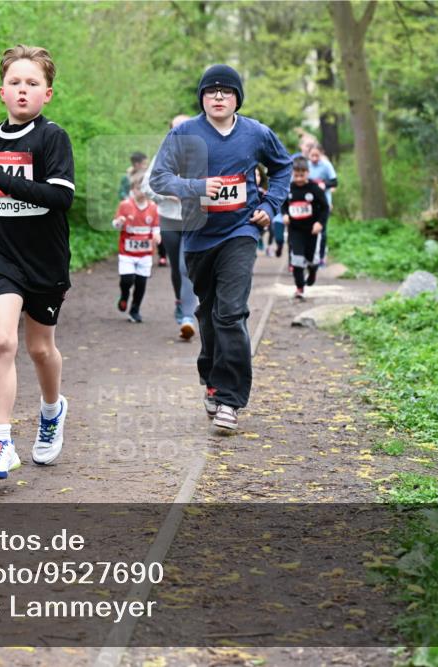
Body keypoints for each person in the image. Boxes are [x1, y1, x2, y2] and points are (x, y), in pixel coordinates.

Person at [150, 64, 292, 431]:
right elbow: (159, 177)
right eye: (211, 91)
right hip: (197, 236)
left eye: (226, 91)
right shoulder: (184, 133)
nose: (217, 96)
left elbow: (283, 168)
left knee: (230, 313)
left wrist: (269, 206)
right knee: (209, 314)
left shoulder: (256, 133)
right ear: (202, 97)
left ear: (236, 98)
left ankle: (231, 398)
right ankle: (212, 378)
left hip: (240, 232)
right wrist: (197, 187)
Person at [0, 45, 75, 480]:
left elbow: (60, 198)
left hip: (45, 258)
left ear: (47, 93)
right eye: (15, 83)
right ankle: (0, 442)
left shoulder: (52, 138)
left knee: (39, 348)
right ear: (2, 91)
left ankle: (52, 411)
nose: (23, 90)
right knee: (1, 342)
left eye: (32, 83)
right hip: (1, 254)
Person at [141, 114, 197, 340]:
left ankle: (187, 317)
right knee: (176, 268)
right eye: (176, 128)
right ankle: (180, 301)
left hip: (194, 220)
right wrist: (169, 194)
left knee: (186, 267)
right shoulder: (163, 156)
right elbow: (147, 186)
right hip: (169, 220)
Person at [113, 170, 161, 323]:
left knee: (141, 283)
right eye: (139, 188)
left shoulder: (153, 207)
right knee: (127, 280)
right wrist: (119, 222)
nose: (143, 192)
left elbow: (155, 226)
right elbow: (115, 224)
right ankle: (124, 295)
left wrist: (156, 235)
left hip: (145, 253)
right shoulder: (125, 205)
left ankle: (135, 310)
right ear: (133, 189)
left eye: (146, 188)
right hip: (127, 252)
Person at [280, 156, 329, 299]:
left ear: (308, 173)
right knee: (296, 259)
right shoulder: (289, 189)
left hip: (311, 230)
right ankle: (299, 287)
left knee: (311, 259)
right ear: (292, 174)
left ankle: (313, 271)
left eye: (302, 175)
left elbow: (325, 208)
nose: (299, 178)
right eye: (296, 175)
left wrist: (320, 223)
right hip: (295, 230)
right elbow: (283, 204)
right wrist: (284, 215)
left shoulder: (314, 189)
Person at [307, 143, 337, 265]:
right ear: (308, 155)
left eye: (317, 156)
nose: (314, 158)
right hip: (308, 204)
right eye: (312, 155)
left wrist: (324, 184)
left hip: (324, 203)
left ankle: (321, 257)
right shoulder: (306, 165)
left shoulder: (326, 165)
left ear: (321, 154)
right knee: (309, 230)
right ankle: (309, 255)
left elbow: (335, 182)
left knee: (322, 231)